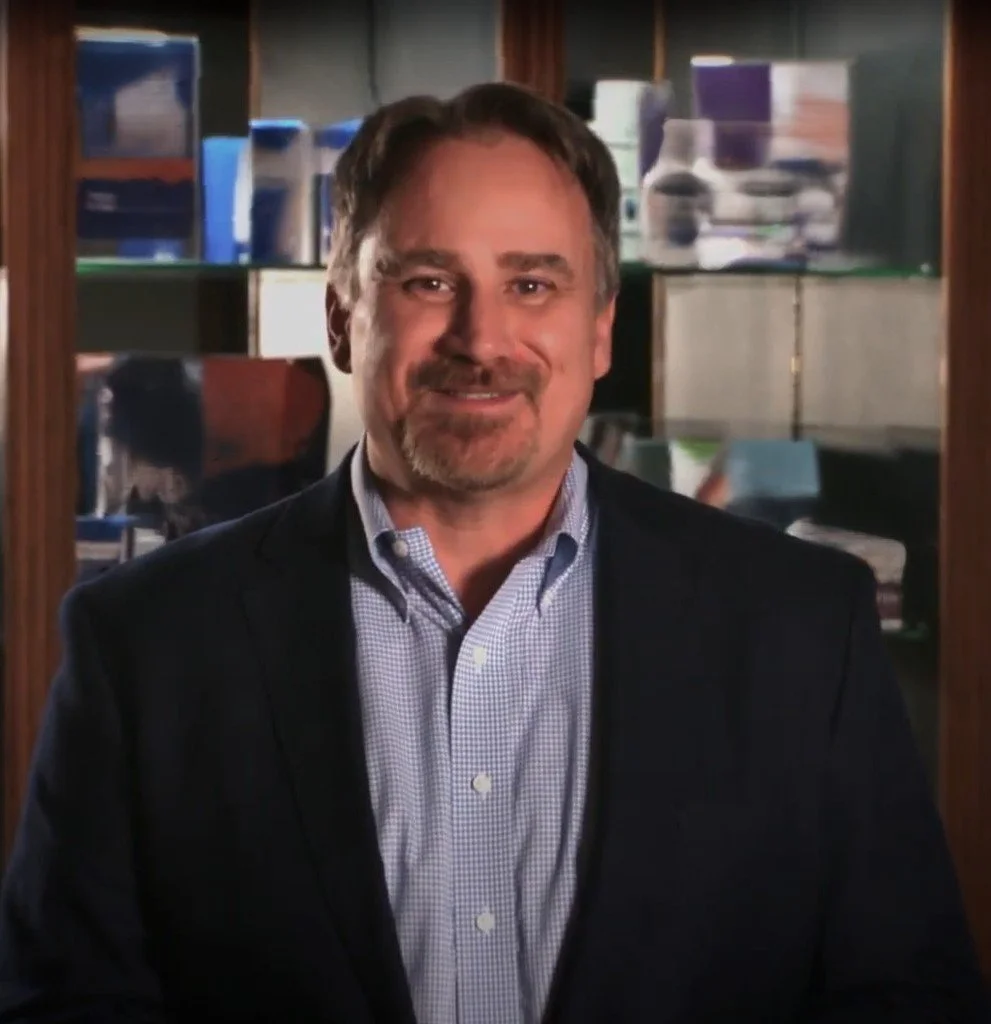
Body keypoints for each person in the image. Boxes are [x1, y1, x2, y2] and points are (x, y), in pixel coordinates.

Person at [0, 83, 984, 1024]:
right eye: (429, 280)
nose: (482, 336)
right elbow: (71, 1002)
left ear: (599, 327)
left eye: (531, 282)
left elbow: (900, 995)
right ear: (343, 318)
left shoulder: (800, 629)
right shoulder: (148, 644)